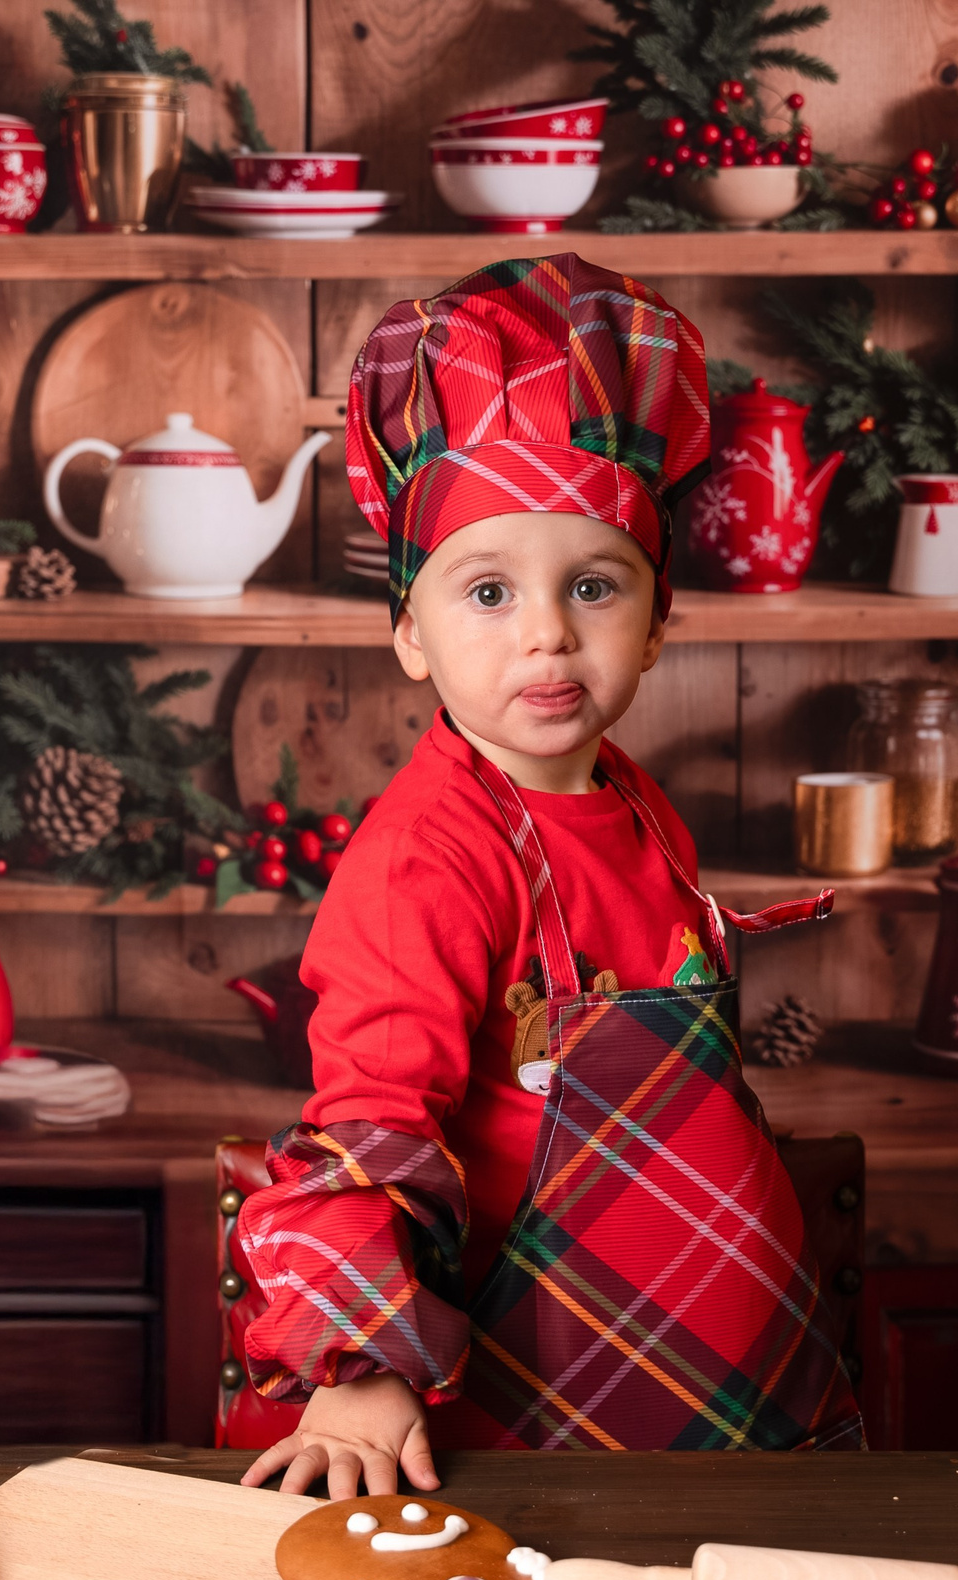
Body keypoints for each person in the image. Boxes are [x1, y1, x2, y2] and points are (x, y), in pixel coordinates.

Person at [235, 254, 862, 1499]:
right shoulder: (430, 857)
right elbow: (370, 1121)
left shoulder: (631, 798)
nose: (546, 633)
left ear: (658, 617)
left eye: (593, 586)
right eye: (486, 591)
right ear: (409, 635)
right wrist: (364, 1363)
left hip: (707, 1388)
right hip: (522, 1411)